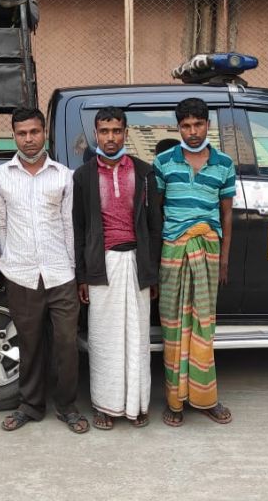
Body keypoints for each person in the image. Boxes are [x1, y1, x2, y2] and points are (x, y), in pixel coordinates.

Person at [0, 107, 89, 434]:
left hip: (60, 273)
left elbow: (69, 226)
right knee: (29, 343)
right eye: (22, 133)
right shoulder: (0, 176)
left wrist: (74, 272)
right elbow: (1, 224)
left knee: (66, 343)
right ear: (14, 136)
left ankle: (67, 406)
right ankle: (31, 405)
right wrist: (7, 262)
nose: (29, 139)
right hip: (20, 274)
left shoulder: (63, 175)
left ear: (44, 133)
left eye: (34, 132)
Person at [73, 107, 162, 429]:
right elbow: (79, 229)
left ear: (125, 133)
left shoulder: (144, 172)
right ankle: (106, 406)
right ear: (96, 135)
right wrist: (82, 276)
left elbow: (154, 226)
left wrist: (151, 272)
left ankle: (137, 404)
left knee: (136, 337)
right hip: (102, 263)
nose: (110, 137)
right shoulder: (83, 176)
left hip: (136, 262)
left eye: (116, 131)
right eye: (104, 131)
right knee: (104, 339)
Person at [153, 97, 235, 427]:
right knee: (173, 328)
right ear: (178, 128)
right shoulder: (164, 162)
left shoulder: (224, 164)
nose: (192, 132)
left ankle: (204, 398)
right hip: (173, 252)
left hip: (208, 251)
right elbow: (156, 212)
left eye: (198, 124)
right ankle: (174, 401)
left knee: (203, 325)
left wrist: (224, 259)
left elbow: (227, 215)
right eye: (186, 126)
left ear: (207, 125)